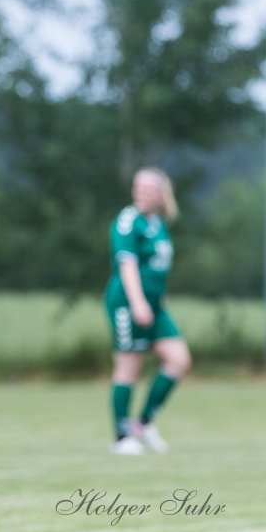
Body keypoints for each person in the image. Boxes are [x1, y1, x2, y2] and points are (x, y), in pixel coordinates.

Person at [104, 167, 192, 455]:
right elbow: (127, 265)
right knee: (129, 367)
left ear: (162, 192)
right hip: (128, 303)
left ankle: (143, 423)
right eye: (138, 186)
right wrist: (138, 302)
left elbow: (156, 268)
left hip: (155, 305)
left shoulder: (158, 223)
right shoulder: (129, 221)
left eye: (149, 187)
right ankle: (121, 437)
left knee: (179, 359)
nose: (142, 191)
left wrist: (157, 299)